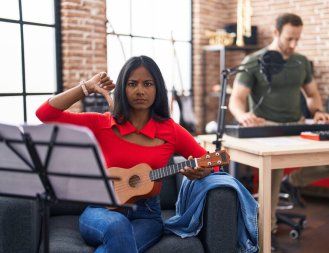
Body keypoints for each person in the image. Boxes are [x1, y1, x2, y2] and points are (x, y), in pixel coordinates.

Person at [36, 55, 215, 253]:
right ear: (122, 88)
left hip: (146, 216)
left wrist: (202, 172)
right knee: (117, 225)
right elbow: (45, 114)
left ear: (157, 89)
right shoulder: (101, 124)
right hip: (100, 210)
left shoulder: (171, 130)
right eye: (132, 84)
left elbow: (212, 162)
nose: (140, 90)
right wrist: (86, 87)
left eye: (148, 84)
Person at [228, 13, 329, 235]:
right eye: (289, 39)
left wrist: (319, 110)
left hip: (298, 125)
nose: (293, 45)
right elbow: (236, 98)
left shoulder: (300, 62)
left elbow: (312, 94)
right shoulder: (254, 61)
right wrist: (242, 115)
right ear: (276, 33)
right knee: (272, 174)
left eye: (297, 39)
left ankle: (292, 181)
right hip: (268, 128)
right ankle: (267, 231)